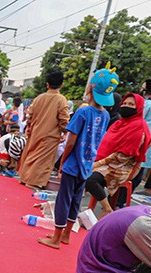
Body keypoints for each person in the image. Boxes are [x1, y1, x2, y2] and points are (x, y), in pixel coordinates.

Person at [39, 66, 116, 249]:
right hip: (87, 165)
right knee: (76, 199)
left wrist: (63, 162)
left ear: (91, 88)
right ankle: (66, 234)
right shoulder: (105, 115)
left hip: (73, 164)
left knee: (63, 200)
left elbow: (71, 142)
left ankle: (56, 239)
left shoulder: (83, 112)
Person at [84, 93, 151, 218]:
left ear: (139, 108)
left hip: (122, 166)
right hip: (108, 162)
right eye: (125, 103)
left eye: (131, 104)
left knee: (90, 179)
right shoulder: (119, 123)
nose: (126, 106)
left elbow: (123, 156)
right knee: (81, 171)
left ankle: (107, 209)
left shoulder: (139, 127)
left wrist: (98, 163)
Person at [17, 70, 70, 189]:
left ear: (47, 84)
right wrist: (65, 133)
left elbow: (29, 115)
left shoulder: (39, 98)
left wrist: (29, 127)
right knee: (42, 160)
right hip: (50, 136)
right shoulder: (61, 100)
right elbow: (64, 120)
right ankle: (33, 182)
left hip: (35, 132)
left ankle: (24, 178)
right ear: (62, 85)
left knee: (31, 155)